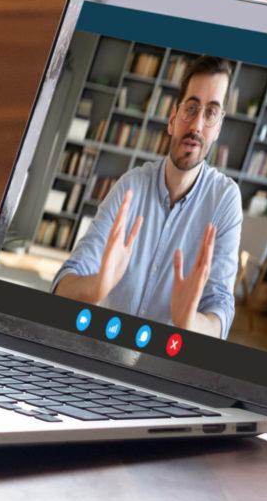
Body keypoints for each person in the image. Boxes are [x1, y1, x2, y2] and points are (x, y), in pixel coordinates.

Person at [52, 56, 245, 337]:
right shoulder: (131, 186)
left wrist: (189, 320)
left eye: (211, 113)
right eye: (190, 108)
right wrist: (97, 287)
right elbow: (62, 285)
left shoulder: (225, 200)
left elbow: (220, 313)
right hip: (107, 344)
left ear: (217, 129)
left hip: (166, 363)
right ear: (172, 119)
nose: (197, 125)